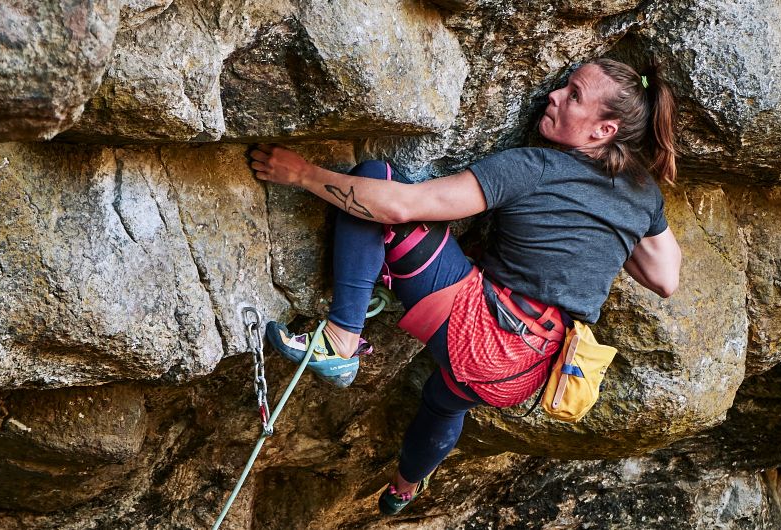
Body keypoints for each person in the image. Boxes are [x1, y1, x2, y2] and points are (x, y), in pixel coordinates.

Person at [248, 58, 682, 515]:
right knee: (443, 401)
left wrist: (301, 174)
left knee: (376, 178)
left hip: (485, 337)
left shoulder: (534, 167)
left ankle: (341, 338)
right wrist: (616, 228)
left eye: (574, 96)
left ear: (603, 131)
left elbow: (400, 207)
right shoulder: (643, 195)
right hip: (532, 370)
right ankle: (403, 488)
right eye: (565, 86)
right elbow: (665, 278)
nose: (554, 96)